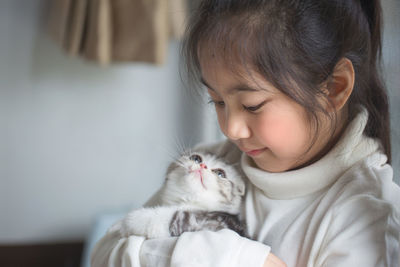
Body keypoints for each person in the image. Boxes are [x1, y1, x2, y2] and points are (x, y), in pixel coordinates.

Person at [91, 0, 400, 266]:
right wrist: (224, 256)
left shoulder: (367, 218)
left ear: (334, 88)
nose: (230, 129)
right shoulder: (217, 163)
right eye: (218, 101)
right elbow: (105, 253)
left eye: (252, 106)